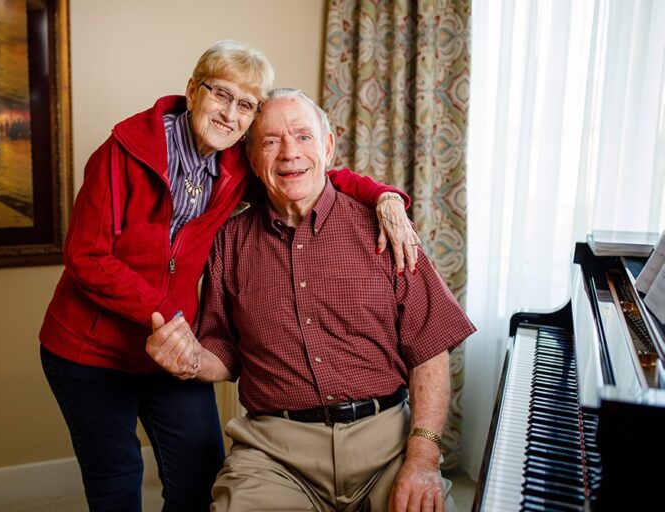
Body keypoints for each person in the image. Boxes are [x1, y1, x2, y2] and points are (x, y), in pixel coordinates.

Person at [39, 41, 421, 512]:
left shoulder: (240, 162)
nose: (230, 113)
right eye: (221, 94)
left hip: (173, 349)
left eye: (246, 105)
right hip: (90, 350)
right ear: (192, 91)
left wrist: (385, 196)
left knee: (201, 476)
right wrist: (166, 317)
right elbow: (86, 255)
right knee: (116, 479)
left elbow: (312, 169)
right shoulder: (121, 153)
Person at [146, 88, 476, 512]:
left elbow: (430, 350)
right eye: (270, 141)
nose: (289, 154)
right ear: (251, 157)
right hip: (274, 456)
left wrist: (423, 459)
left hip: (386, 446)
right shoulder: (229, 241)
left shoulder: (386, 230)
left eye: (303, 137)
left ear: (328, 146)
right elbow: (224, 352)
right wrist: (189, 359)